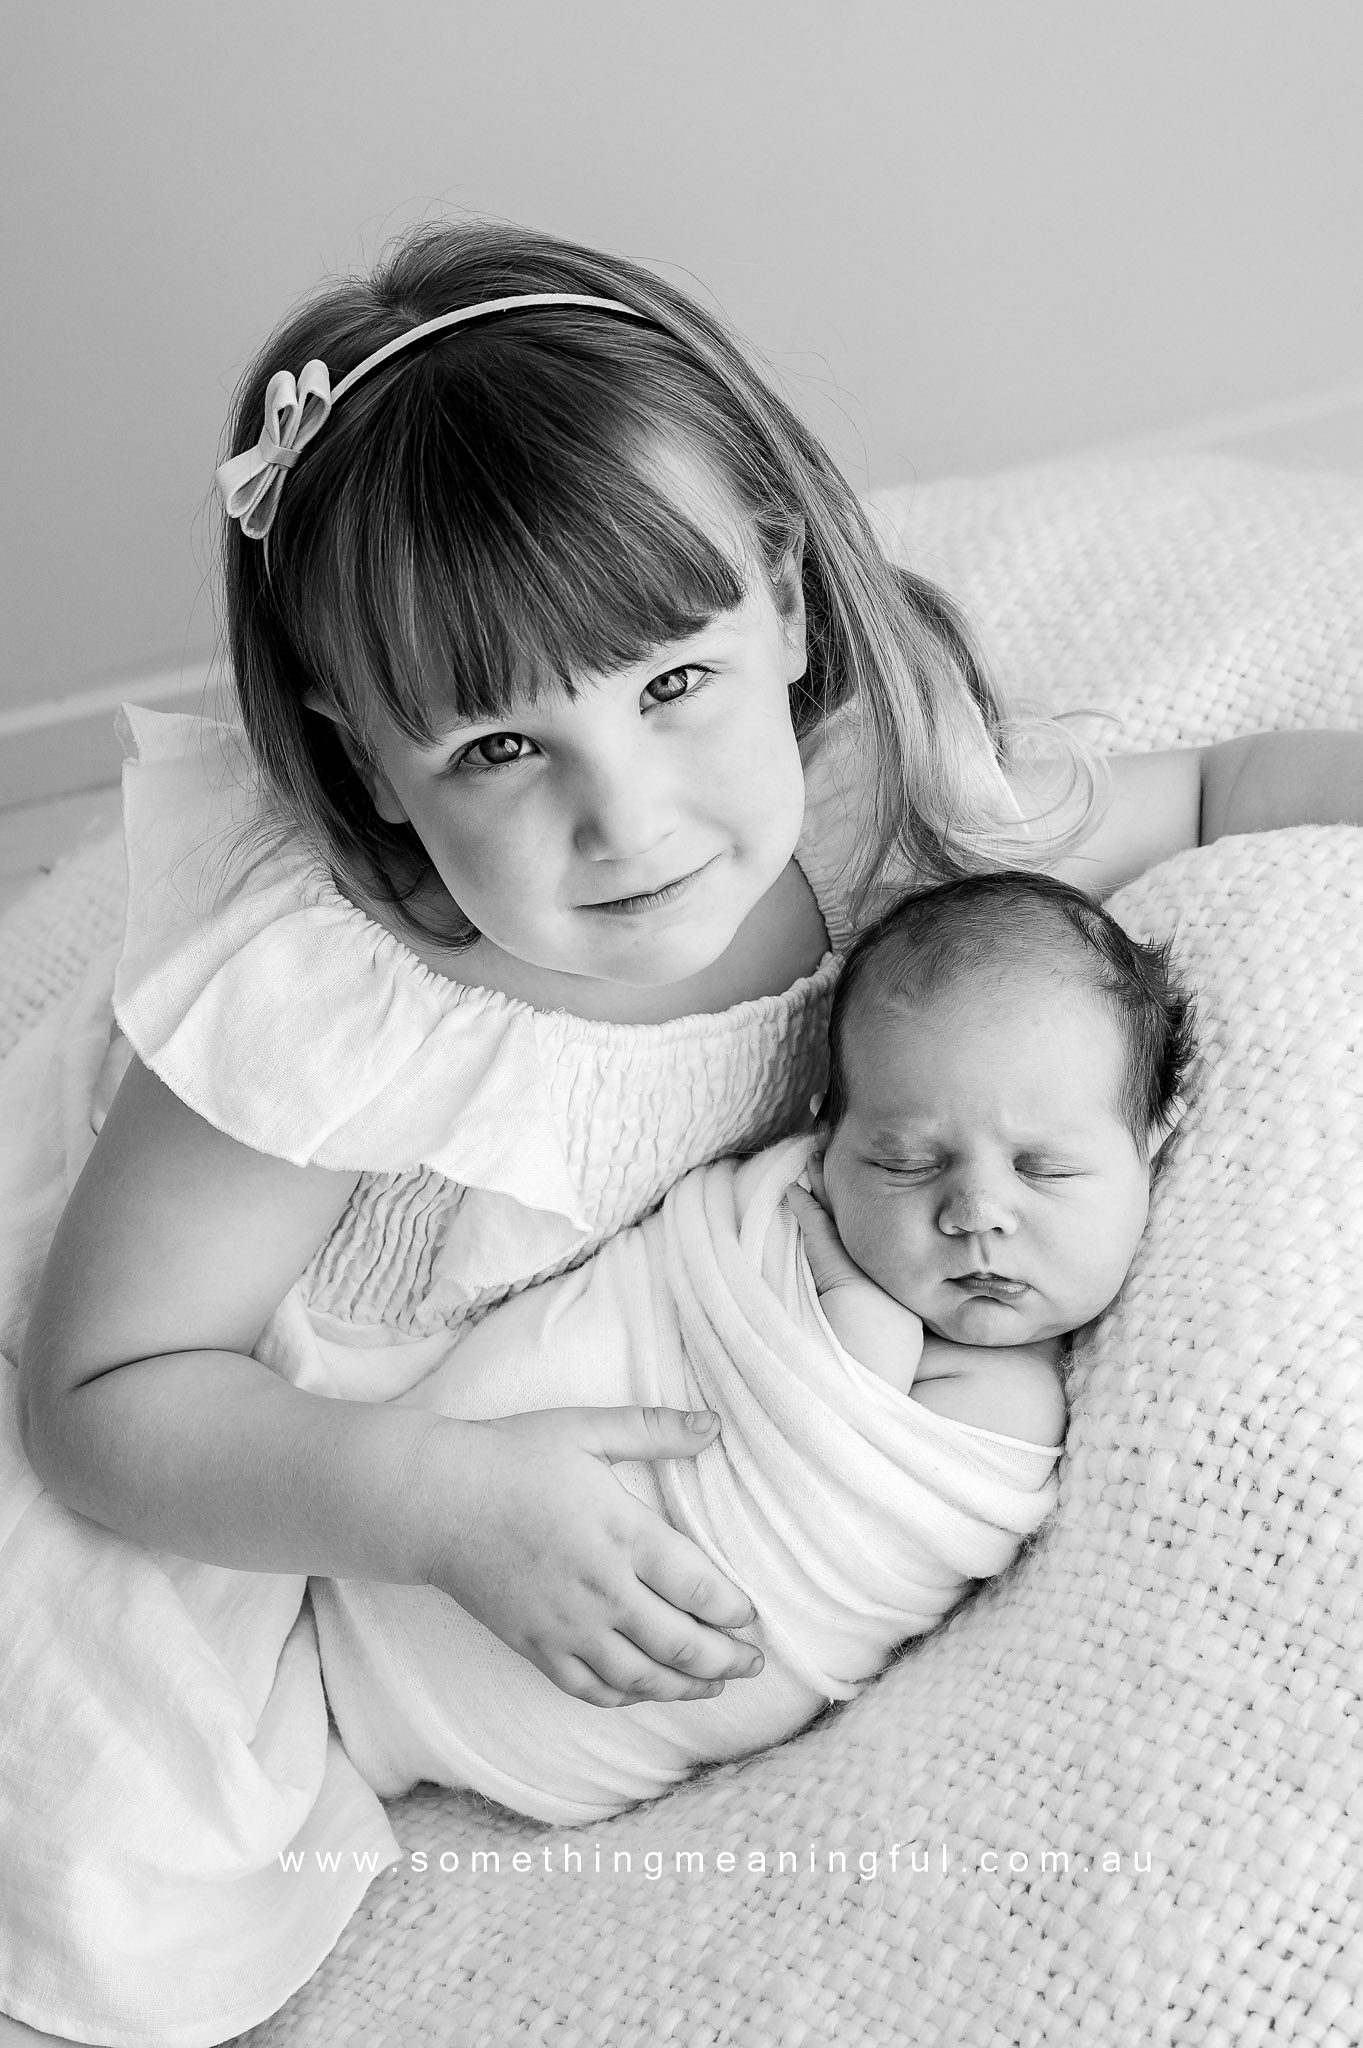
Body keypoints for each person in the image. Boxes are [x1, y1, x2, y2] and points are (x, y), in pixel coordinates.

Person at [0, 218, 1357, 2044]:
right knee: (116, 1865)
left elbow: (1203, 789)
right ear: (357, 751)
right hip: (213, 1416)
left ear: (783, 601)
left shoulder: (866, 802)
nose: (623, 817)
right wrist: (423, 1499)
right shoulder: (341, 1007)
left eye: (668, 684)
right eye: (493, 746)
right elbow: (102, 1391)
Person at [297, 870, 1191, 1828]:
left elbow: (848, 1487)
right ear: (822, 1141)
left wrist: (855, 1314)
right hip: (381, 1536)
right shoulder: (771, 1219)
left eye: (1043, 1167)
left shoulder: (1032, 1406)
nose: (974, 1214)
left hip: (531, 1723)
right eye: (904, 1161)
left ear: (1150, 1144)